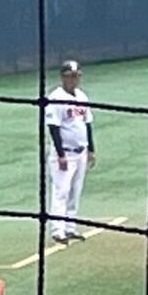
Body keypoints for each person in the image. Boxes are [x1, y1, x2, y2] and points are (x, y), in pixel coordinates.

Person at [45, 59, 96, 245]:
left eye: (76, 76)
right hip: (64, 154)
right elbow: (53, 127)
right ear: (63, 77)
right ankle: (57, 231)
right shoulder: (55, 98)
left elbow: (87, 123)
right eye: (70, 76)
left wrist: (91, 149)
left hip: (81, 152)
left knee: (75, 191)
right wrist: (60, 154)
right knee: (61, 191)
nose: (74, 80)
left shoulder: (82, 97)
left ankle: (70, 228)